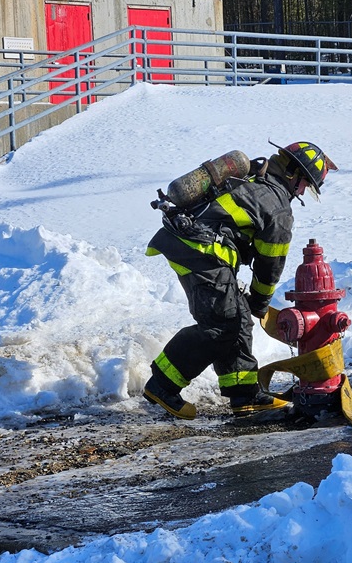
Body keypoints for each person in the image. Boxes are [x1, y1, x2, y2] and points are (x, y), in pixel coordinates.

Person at [143, 140, 338, 419]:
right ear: (294, 174)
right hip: (202, 252)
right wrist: (260, 301)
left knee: (236, 318)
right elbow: (270, 263)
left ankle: (245, 395)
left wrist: (251, 307)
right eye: (306, 183)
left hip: (194, 247)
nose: (304, 191)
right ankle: (162, 384)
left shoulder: (254, 178)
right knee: (221, 326)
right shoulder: (278, 206)